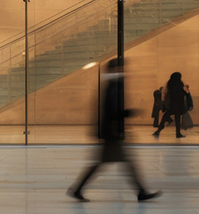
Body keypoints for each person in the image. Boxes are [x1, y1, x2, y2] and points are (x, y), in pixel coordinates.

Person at [67, 58, 161, 202]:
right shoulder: (113, 87)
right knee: (123, 163)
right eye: (121, 68)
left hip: (110, 133)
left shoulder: (112, 86)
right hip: (111, 134)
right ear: (116, 70)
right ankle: (141, 192)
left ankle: (77, 189)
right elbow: (113, 112)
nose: (123, 71)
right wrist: (129, 112)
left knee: (111, 163)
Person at [153, 72, 187, 138]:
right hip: (179, 104)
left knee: (165, 117)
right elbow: (185, 92)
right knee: (177, 119)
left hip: (171, 104)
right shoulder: (180, 83)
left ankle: (158, 131)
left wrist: (163, 102)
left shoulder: (169, 83)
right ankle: (178, 133)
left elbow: (164, 92)